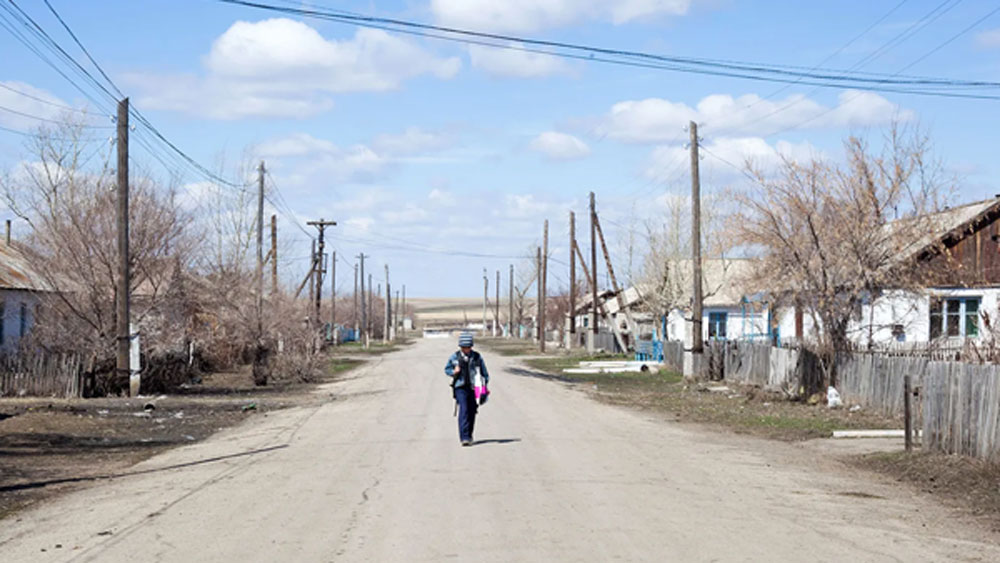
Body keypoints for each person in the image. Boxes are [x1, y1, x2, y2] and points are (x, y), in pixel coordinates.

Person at [444, 332, 490, 446]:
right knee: (463, 410)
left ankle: (469, 435)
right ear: (460, 347)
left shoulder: (477, 357)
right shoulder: (454, 357)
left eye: (468, 347)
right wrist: (453, 372)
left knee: (472, 411)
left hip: (475, 388)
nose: (466, 349)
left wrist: (484, 388)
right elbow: (447, 369)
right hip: (460, 387)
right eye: (464, 347)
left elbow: (485, 374)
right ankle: (464, 437)